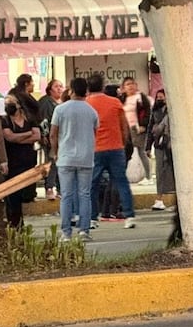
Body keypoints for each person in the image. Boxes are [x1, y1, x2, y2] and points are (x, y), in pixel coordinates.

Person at [50, 78, 99, 242]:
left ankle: (66, 233)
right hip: (86, 158)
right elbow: (95, 133)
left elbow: (53, 134)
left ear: (71, 90)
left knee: (66, 196)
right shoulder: (91, 111)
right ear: (86, 91)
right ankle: (84, 231)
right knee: (85, 195)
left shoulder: (60, 109)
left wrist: (55, 152)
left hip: (65, 157)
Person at [86, 73, 136, 229]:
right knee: (121, 181)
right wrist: (124, 142)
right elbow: (124, 127)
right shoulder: (115, 102)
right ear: (102, 86)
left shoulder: (87, 104)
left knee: (92, 184)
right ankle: (129, 216)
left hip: (95, 148)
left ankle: (92, 217)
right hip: (115, 147)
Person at [1, 95, 40, 229]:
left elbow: (37, 135)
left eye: (11, 103)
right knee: (13, 196)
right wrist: (28, 134)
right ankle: (16, 224)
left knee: (27, 193)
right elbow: (9, 137)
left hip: (28, 161)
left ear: (19, 104)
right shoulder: (4, 120)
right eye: (7, 103)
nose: (9, 105)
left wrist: (19, 138)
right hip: (13, 162)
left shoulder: (29, 120)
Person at [145, 89, 176, 211]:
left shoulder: (171, 110)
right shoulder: (155, 111)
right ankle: (159, 199)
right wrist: (148, 146)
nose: (159, 99)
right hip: (159, 145)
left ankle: (175, 200)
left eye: (161, 96)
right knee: (160, 172)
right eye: (158, 96)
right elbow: (150, 129)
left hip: (170, 145)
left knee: (172, 173)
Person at [119, 77, 152, 185]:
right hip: (125, 129)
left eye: (132, 84)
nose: (130, 86)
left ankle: (148, 176)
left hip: (137, 128)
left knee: (142, 152)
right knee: (126, 153)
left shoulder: (140, 97)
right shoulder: (122, 99)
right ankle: (123, 176)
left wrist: (143, 125)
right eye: (128, 84)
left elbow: (147, 112)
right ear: (124, 87)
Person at [39, 79, 64, 201]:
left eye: (61, 86)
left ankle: (60, 188)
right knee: (52, 162)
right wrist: (45, 136)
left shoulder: (61, 102)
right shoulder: (46, 102)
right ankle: (49, 187)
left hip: (61, 138)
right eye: (56, 86)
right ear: (50, 89)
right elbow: (43, 121)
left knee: (59, 163)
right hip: (50, 137)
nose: (59, 88)